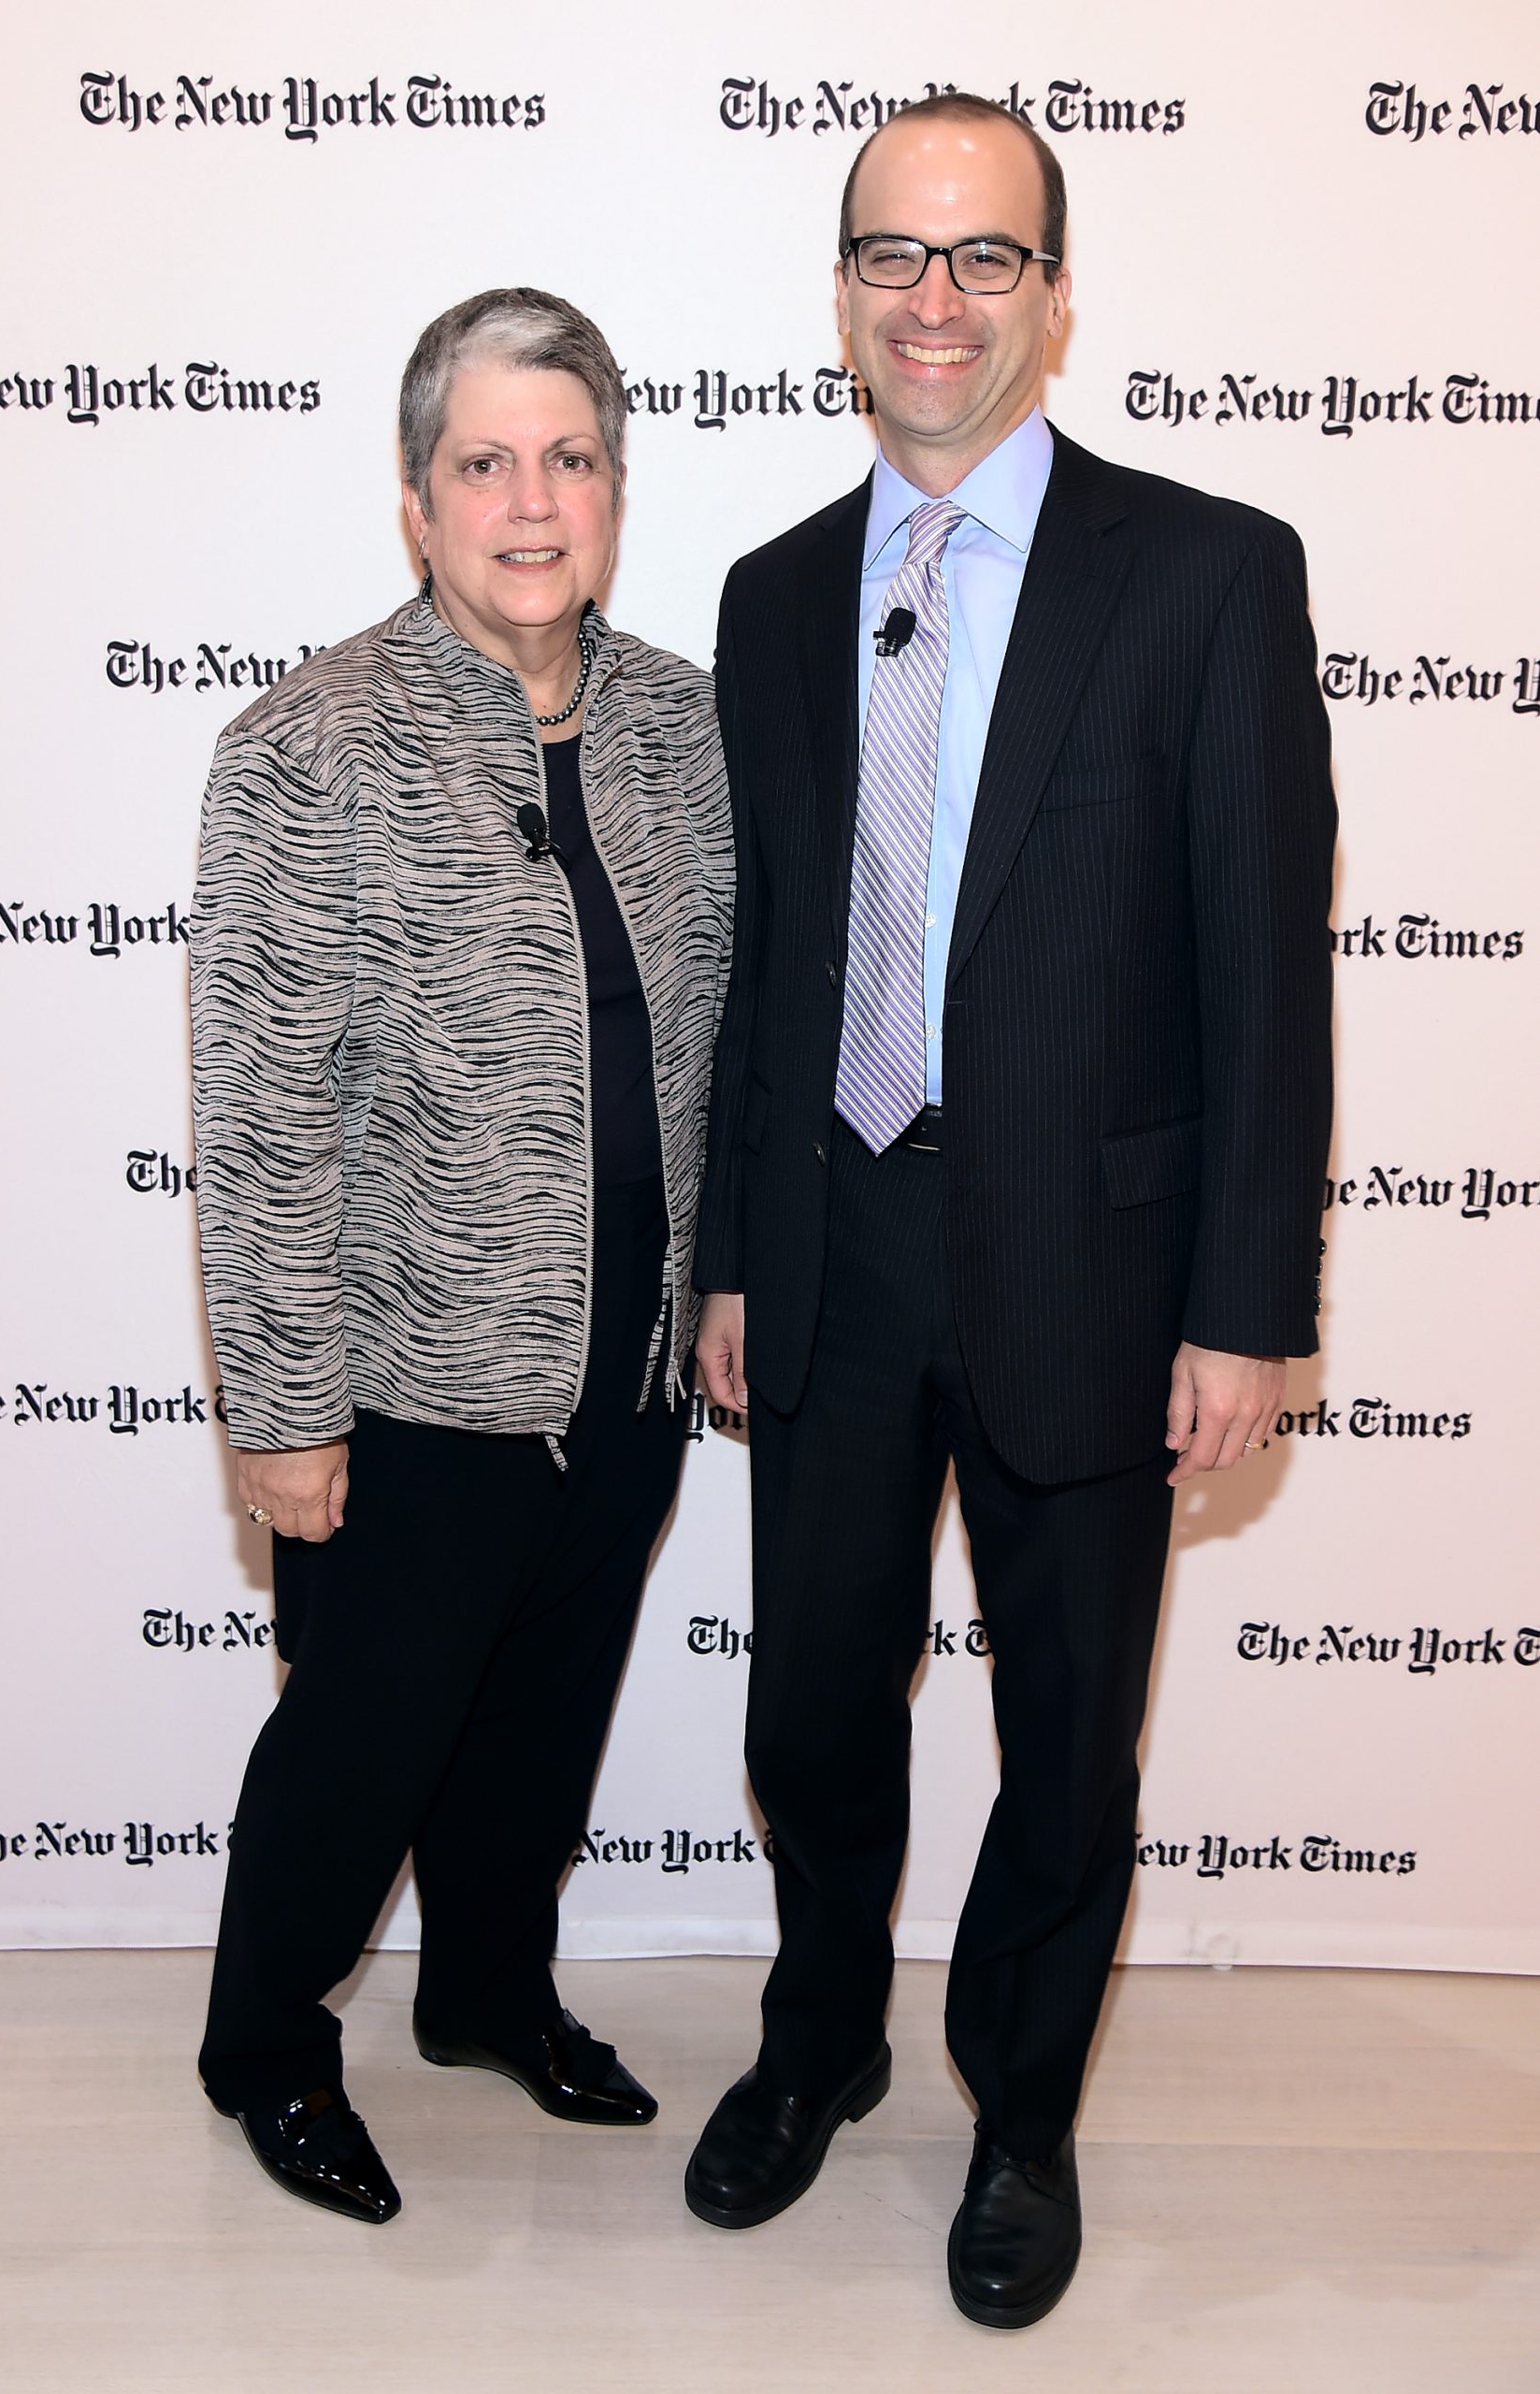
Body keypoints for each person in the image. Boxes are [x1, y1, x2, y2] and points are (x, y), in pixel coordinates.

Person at [685, 96, 1334, 2328]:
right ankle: (819, 2034)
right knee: (808, 1709)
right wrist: (735, 1256)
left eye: (980, 259)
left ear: (1052, 293)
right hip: (836, 1244)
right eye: (891, 256)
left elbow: (1264, 957)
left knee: (1065, 1729)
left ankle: (1020, 2106)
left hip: (1101, 1259)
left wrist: (1247, 1297)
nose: (932, 301)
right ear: (842, 293)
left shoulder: (1206, 568)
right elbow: (770, 965)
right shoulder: (773, 594)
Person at [190, 287, 732, 2224]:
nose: (530, 500)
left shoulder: (682, 720)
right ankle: (264, 2043)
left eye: (566, 457)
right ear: (417, 503)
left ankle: (488, 1993)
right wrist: (278, 1409)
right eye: (483, 462)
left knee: (540, 1724)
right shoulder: (304, 745)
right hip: (404, 1386)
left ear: (612, 486)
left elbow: (721, 1039)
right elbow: (255, 1109)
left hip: (629, 1365)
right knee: (356, 1749)